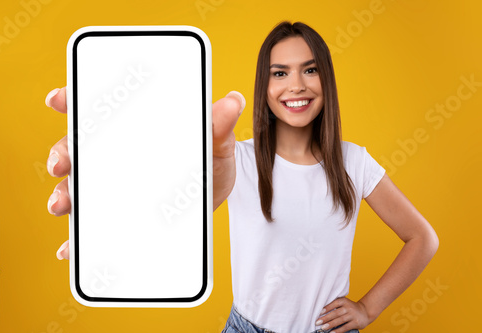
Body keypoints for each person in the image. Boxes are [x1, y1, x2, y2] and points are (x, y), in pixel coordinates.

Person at [45, 21, 438, 333]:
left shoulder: (354, 161)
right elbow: (181, 204)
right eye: (280, 72)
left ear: (326, 80)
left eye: (310, 70)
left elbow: (422, 238)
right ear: (264, 87)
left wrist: (368, 308)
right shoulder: (237, 158)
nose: (296, 85)